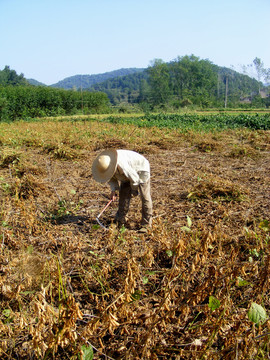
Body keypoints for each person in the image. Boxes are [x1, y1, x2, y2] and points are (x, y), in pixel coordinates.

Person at [92, 149, 153, 231]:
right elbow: (111, 178)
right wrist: (114, 191)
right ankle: (120, 220)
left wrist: (134, 191)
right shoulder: (104, 164)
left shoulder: (123, 166)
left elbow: (134, 179)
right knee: (123, 194)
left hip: (140, 169)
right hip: (126, 174)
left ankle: (146, 224)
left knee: (145, 197)